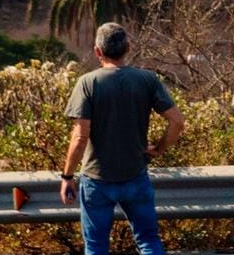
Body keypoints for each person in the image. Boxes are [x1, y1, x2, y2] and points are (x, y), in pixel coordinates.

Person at [58, 23, 188, 255]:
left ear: (98, 52)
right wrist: (159, 148)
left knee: (96, 247)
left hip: (97, 180)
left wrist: (68, 176)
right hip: (136, 176)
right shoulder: (147, 80)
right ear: (128, 47)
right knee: (148, 241)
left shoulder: (88, 83)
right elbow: (177, 121)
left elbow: (80, 137)